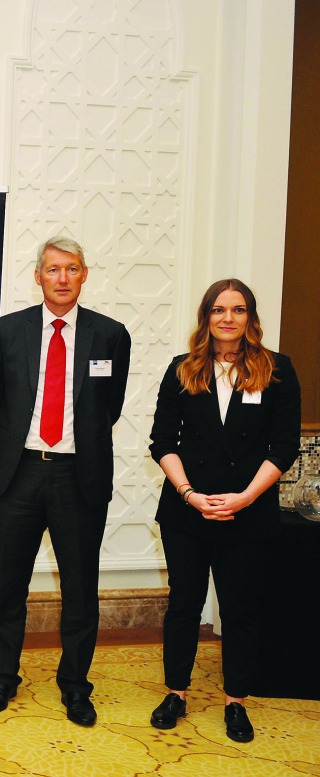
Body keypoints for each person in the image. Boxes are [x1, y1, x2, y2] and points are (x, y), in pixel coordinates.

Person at [0, 237, 131, 726]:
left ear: (84, 274)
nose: (62, 278)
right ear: (38, 276)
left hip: (78, 476)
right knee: (9, 586)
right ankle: (3, 677)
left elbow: (109, 408)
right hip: (18, 473)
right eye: (52, 269)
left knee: (81, 590)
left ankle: (75, 686)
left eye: (71, 269)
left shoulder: (110, 334)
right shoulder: (8, 330)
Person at [148, 278, 300, 743]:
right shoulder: (182, 369)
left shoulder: (277, 369)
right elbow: (162, 441)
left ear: (250, 317)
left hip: (248, 513)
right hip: (187, 512)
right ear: (206, 317)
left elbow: (284, 446)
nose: (228, 318)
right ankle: (176, 693)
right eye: (218, 309)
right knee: (183, 606)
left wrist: (246, 497)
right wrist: (189, 493)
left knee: (239, 611)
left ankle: (236, 702)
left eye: (237, 309)